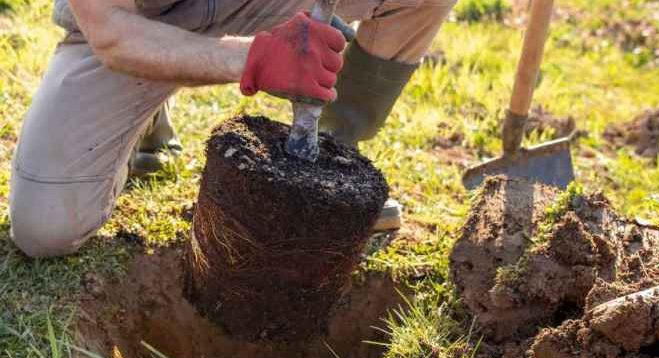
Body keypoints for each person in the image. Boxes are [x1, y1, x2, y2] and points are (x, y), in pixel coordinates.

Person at [9, 0, 456, 258]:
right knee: (45, 228)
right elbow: (111, 32)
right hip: (134, 20)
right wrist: (256, 59)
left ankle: (332, 165)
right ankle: (142, 116)